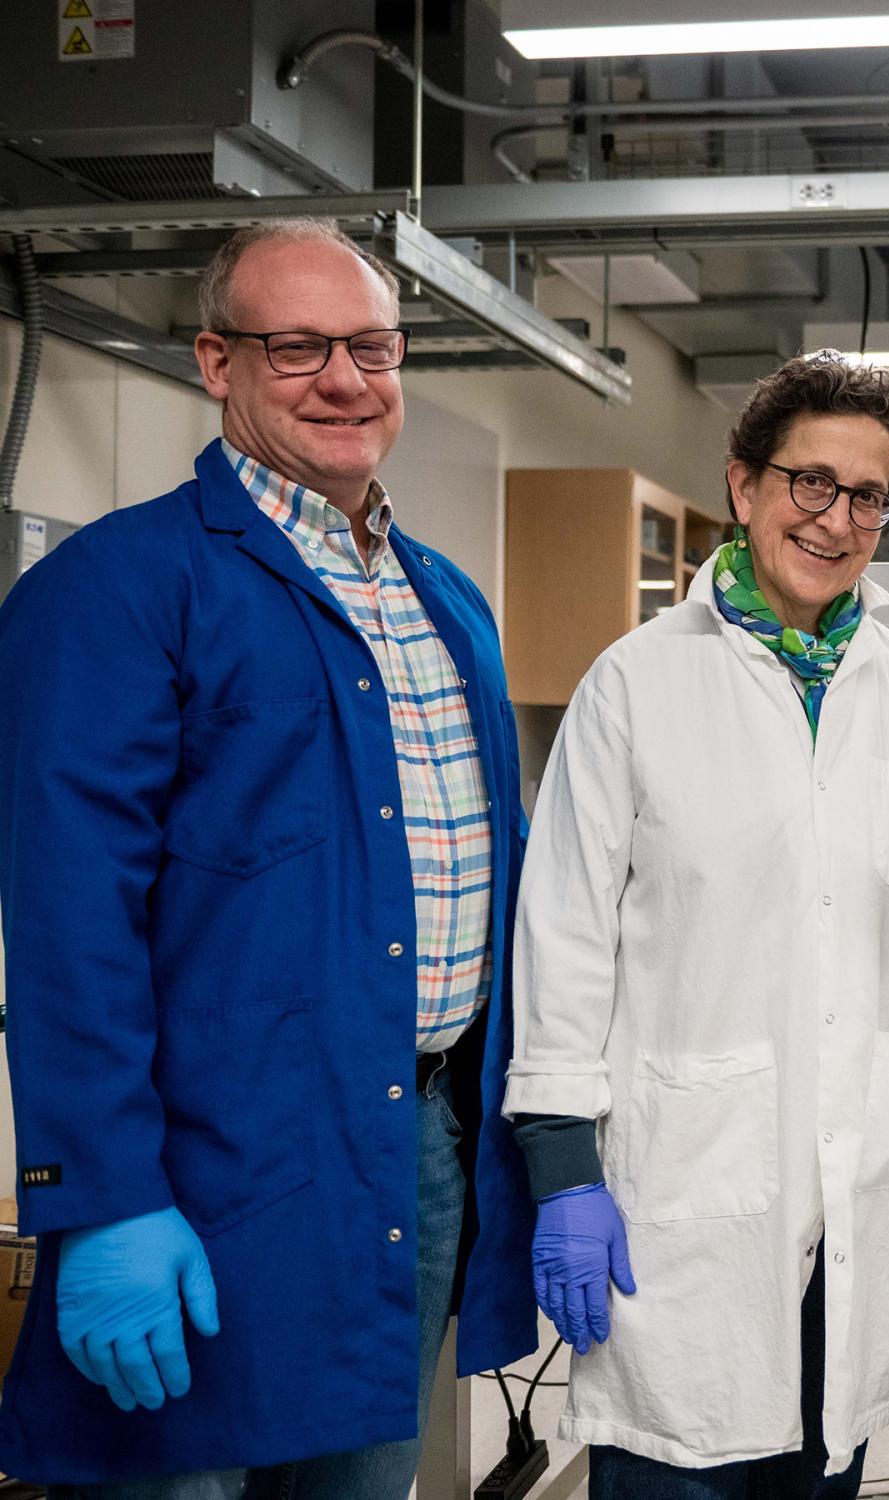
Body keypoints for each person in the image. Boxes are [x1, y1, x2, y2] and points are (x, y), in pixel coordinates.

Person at [0, 218, 536, 1496]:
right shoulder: (118, 587)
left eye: (371, 347)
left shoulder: (447, 602)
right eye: (296, 348)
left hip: (416, 1144)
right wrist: (101, 1198)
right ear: (215, 363)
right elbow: (72, 921)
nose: (343, 379)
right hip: (205, 1163)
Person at [503, 351, 889, 1499]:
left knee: (828, 1463)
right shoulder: (634, 685)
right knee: (680, 1468)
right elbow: (563, 937)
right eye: (809, 482)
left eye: (867, 496)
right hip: (691, 1189)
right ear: (743, 485)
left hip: (872, 1180)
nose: (834, 519)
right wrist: (563, 1168)